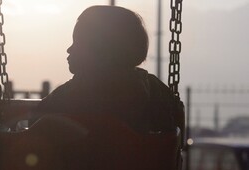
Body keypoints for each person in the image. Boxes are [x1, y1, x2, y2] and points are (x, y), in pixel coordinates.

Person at [34, 5, 182, 133]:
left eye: (77, 43)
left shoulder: (73, 92)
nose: (69, 49)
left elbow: (37, 118)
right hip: (137, 163)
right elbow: (174, 118)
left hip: (80, 163)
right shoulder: (152, 88)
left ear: (99, 51)